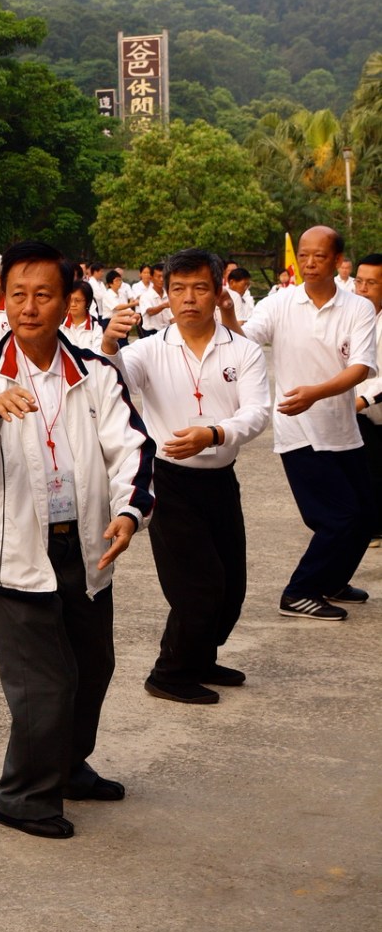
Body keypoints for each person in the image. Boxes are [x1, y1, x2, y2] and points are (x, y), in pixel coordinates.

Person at [0, 241, 155, 839]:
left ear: (68, 302)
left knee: (93, 666)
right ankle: (23, 797)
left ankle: (66, 766)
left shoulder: (97, 373)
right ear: (3, 299)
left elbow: (132, 449)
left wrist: (129, 512)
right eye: (18, 295)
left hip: (85, 542)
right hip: (13, 551)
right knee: (43, 684)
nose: (28, 307)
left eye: (43, 295)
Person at [103, 250, 270, 704]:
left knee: (231, 585)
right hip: (169, 482)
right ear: (167, 295)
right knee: (197, 585)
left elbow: (257, 412)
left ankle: (200, 659)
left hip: (220, 478)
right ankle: (169, 674)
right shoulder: (148, 349)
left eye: (199, 288)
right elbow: (112, 385)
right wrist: (109, 346)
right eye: (178, 289)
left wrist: (214, 433)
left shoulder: (243, 350)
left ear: (218, 292)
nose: (189, 298)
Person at [225, 225, 376, 619]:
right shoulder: (279, 303)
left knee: (366, 514)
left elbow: (360, 367)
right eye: (303, 255)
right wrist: (227, 314)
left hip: (342, 430)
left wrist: (316, 393)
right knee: (338, 517)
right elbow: (245, 342)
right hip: (299, 429)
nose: (308, 263)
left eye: (319, 256)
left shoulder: (357, 308)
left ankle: (333, 580)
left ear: (337, 260)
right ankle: (299, 592)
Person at [354, 254, 382, 543]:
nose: (362, 289)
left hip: (371, 404)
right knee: (366, 468)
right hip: (357, 411)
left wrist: (364, 399)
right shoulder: (348, 318)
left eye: (370, 283)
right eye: (359, 281)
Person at [60, 279, 103, 351]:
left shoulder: (95, 327)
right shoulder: (60, 324)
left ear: (88, 302)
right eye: (70, 300)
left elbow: (97, 354)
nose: (73, 304)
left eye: (77, 300)